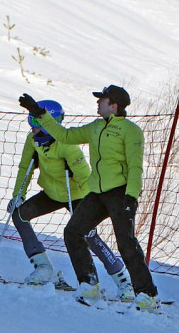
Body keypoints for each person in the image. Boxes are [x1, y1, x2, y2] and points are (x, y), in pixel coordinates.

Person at [18, 85, 158, 310]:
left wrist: (131, 196)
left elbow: (135, 166)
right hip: (96, 192)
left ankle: (147, 295)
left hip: (120, 193)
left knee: (126, 243)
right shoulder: (95, 126)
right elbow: (65, 135)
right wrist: (40, 114)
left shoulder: (130, 130)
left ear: (114, 105)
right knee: (73, 232)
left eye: (102, 100)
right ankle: (89, 285)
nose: (98, 103)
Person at [8, 100, 132, 294]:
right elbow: (25, 168)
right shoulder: (32, 141)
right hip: (51, 193)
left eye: (35, 120)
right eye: (30, 120)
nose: (31, 126)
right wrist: (18, 195)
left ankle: (122, 280)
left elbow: (85, 176)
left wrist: (96, 204)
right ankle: (43, 267)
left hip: (76, 194)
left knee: (87, 234)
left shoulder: (67, 146)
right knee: (19, 215)